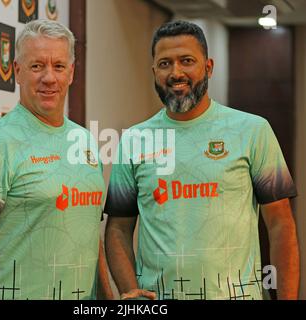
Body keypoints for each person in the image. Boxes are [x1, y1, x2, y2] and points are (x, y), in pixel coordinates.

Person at [104, 20, 300, 300]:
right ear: (153, 71)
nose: (176, 72)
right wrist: (130, 292)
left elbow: (281, 223)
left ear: (208, 67)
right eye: (164, 64)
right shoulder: (135, 140)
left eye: (186, 61)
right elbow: (118, 228)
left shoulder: (253, 131)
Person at [0, 20, 112, 300]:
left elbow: (87, 231)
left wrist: (109, 298)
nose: (49, 78)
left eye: (59, 66)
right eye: (37, 66)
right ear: (17, 71)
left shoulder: (84, 140)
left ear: (71, 72)